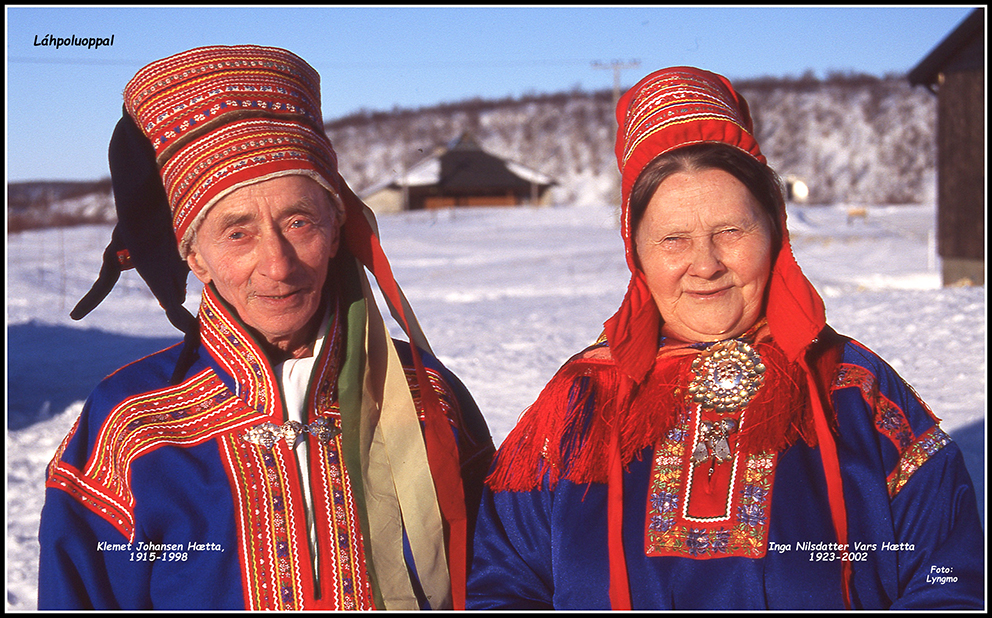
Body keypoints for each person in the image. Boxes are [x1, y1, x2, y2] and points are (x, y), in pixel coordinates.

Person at [466, 66, 984, 610]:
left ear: (775, 231)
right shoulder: (580, 405)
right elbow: (504, 585)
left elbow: (948, 577)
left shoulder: (853, 391)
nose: (705, 265)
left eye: (731, 232)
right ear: (636, 252)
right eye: (673, 239)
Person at [38, 45, 494, 611]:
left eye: (298, 222)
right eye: (238, 233)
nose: (278, 265)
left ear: (334, 231)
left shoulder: (427, 397)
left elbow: (500, 581)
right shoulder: (130, 428)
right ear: (196, 257)